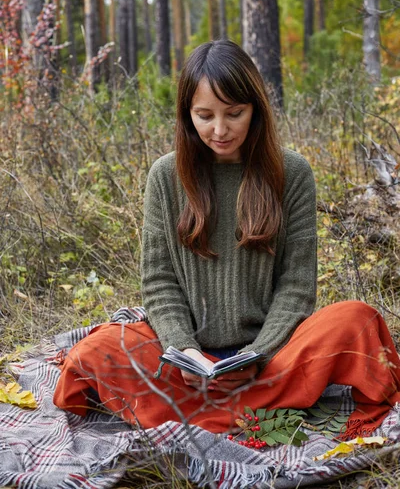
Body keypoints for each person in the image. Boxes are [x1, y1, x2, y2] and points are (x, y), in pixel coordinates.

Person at [54, 40, 400, 437]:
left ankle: (195, 414)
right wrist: (183, 350)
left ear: (255, 108)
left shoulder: (292, 172)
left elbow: (297, 285)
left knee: (356, 320)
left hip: (273, 357)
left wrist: (260, 354)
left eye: (234, 113)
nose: (219, 130)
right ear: (187, 115)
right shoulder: (165, 176)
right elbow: (159, 281)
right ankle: (251, 410)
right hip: (187, 364)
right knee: (94, 352)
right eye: (204, 115)